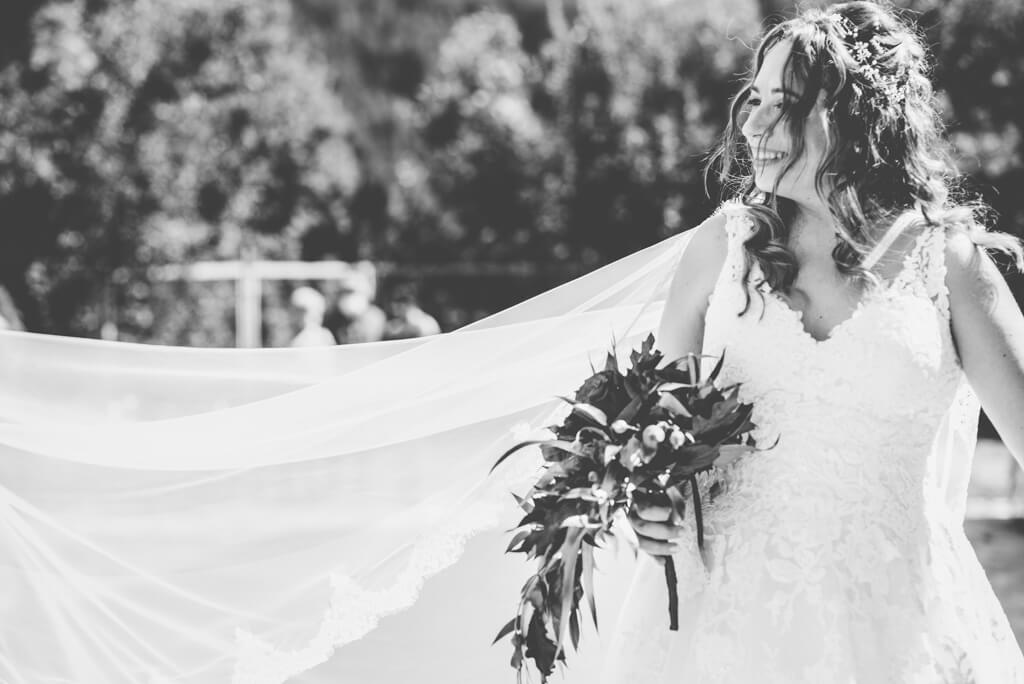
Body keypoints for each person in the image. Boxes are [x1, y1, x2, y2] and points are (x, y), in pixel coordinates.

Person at [606, 2, 1024, 682]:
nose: (754, 123)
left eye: (789, 103)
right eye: (757, 98)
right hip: (724, 624)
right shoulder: (721, 246)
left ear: (862, 119)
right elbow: (660, 443)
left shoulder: (947, 264)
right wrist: (647, 505)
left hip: (900, 625)